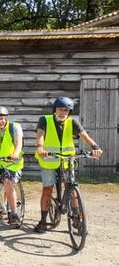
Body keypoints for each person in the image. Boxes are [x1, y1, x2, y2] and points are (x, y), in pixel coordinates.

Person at [34, 96, 103, 233]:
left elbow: (84, 136)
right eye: (60, 109)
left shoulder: (72, 122)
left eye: (66, 110)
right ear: (55, 109)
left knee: (71, 188)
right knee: (47, 190)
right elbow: (40, 135)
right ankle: (42, 221)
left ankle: (77, 220)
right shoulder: (45, 120)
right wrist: (40, 147)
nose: (63, 113)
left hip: (67, 161)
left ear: (69, 112)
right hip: (49, 160)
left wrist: (95, 147)